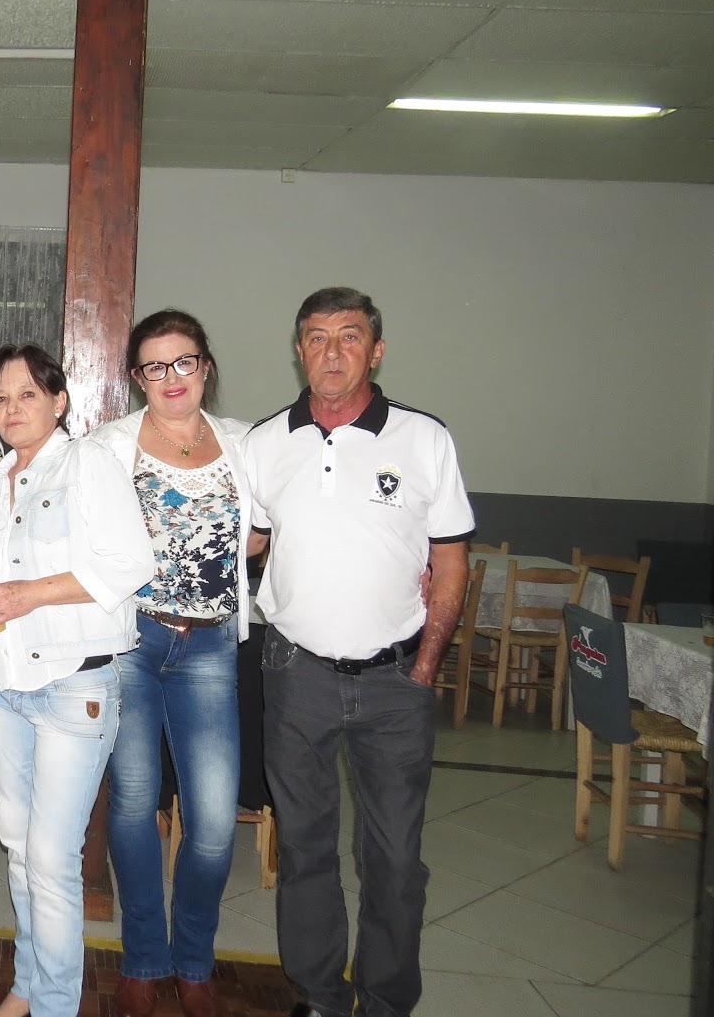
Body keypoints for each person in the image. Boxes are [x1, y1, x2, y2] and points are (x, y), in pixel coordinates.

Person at [241, 287, 473, 1017]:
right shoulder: (265, 443)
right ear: (298, 351)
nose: (332, 351)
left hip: (396, 678)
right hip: (296, 674)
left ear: (376, 350)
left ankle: (385, 999)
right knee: (304, 846)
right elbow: (249, 541)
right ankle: (318, 994)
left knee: (394, 857)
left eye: (349, 336)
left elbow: (452, 562)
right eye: (317, 337)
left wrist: (427, 664)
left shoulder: (423, 439)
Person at [0, 344, 154, 1017]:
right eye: (0, 399)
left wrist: (30, 594)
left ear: (59, 400)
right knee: (18, 850)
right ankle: (29, 987)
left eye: (27, 395)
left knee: (51, 858)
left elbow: (131, 564)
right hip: (5, 685)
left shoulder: (88, 462)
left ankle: (56, 1006)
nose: (11, 409)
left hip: (75, 686)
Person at [87, 311, 264, 1017]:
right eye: (154, 366)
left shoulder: (245, 443)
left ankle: (194, 960)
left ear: (205, 366)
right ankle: (144, 959)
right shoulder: (110, 446)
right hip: (134, 642)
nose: (171, 377)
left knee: (214, 822)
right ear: (137, 378)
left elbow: (277, 524)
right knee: (134, 805)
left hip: (211, 648)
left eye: (183, 361)